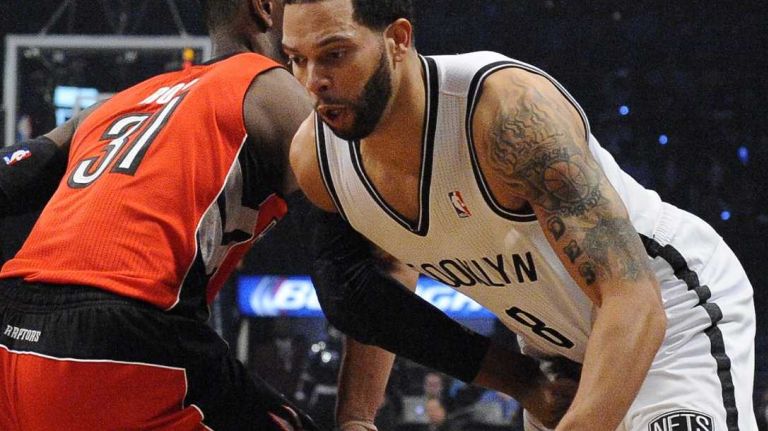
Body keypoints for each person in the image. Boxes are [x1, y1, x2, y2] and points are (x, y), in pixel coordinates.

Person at [281, 1, 758, 430]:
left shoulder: (505, 112)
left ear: (398, 40)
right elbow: (372, 289)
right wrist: (358, 420)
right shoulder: (316, 160)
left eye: (335, 54)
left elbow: (634, 299)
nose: (312, 81)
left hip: (666, 311)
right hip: (554, 353)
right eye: (296, 59)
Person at [0, 0, 322, 429]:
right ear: (264, 7)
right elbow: (360, 262)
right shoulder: (273, 88)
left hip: (12, 331)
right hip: (124, 337)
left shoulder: (123, 101)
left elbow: (15, 170)